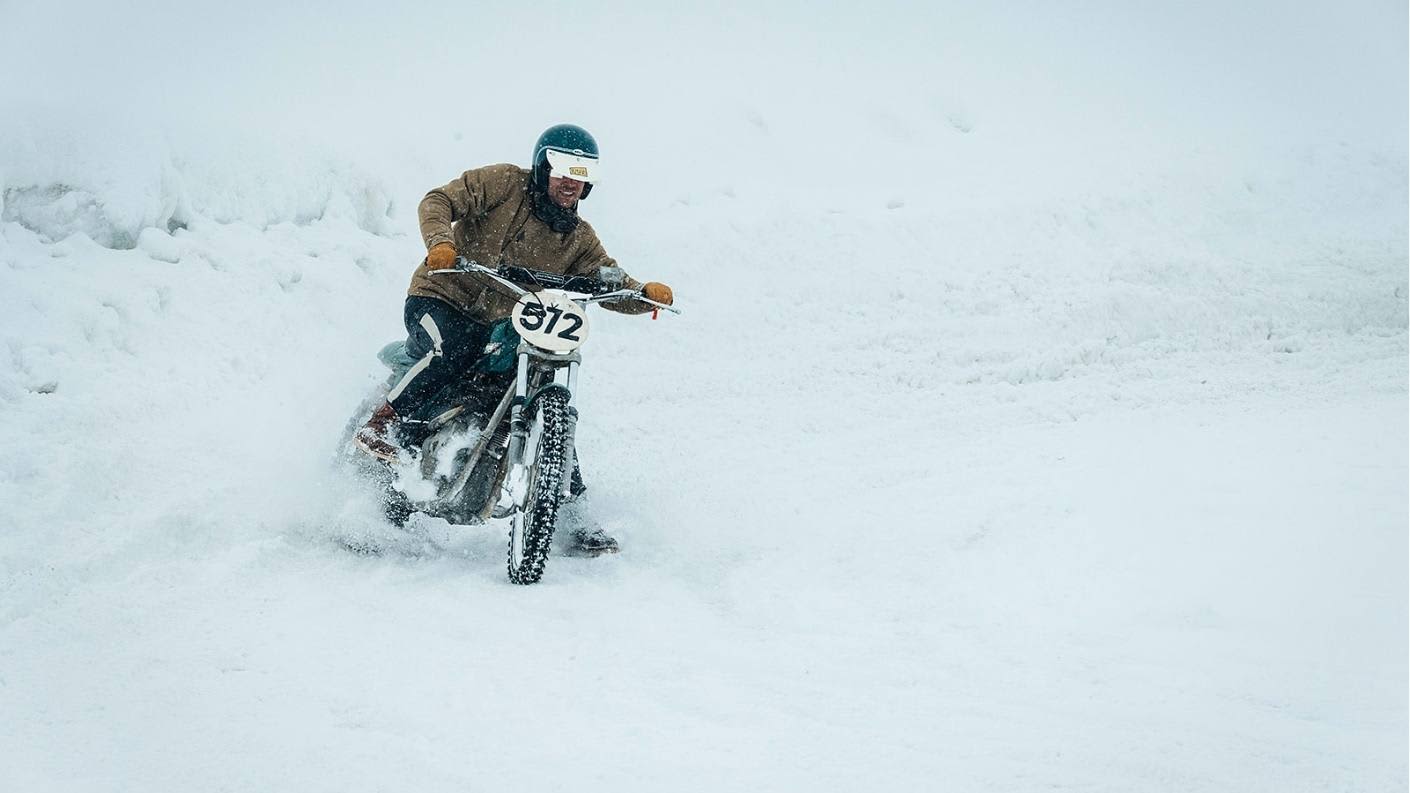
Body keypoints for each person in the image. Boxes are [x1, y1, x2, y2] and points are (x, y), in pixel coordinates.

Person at [354, 124, 673, 551]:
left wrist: (641, 295)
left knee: (539, 387)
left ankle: (572, 514)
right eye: (562, 168)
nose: (571, 181)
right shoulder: (502, 183)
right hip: (442, 296)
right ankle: (382, 424)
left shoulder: (578, 238)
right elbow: (439, 200)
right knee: (452, 350)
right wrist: (440, 242)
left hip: (502, 322)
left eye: (582, 172)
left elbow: (605, 278)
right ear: (543, 166)